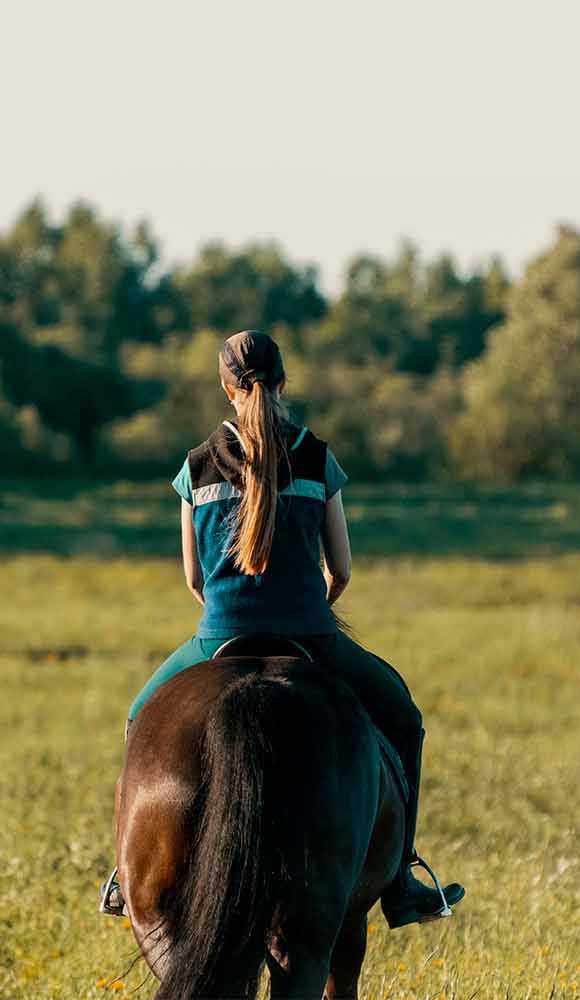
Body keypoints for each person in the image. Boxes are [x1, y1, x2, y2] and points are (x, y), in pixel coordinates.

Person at [99, 330, 464, 928]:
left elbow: (193, 577)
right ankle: (400, 882)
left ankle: (125, 873)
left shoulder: (196, 465)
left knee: (142, 717)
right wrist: (313, 604)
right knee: (403, 718)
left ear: (224, 386)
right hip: (312, 636)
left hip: (217, 638)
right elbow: (340, 568)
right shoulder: (317, 457)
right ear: (284, 383)